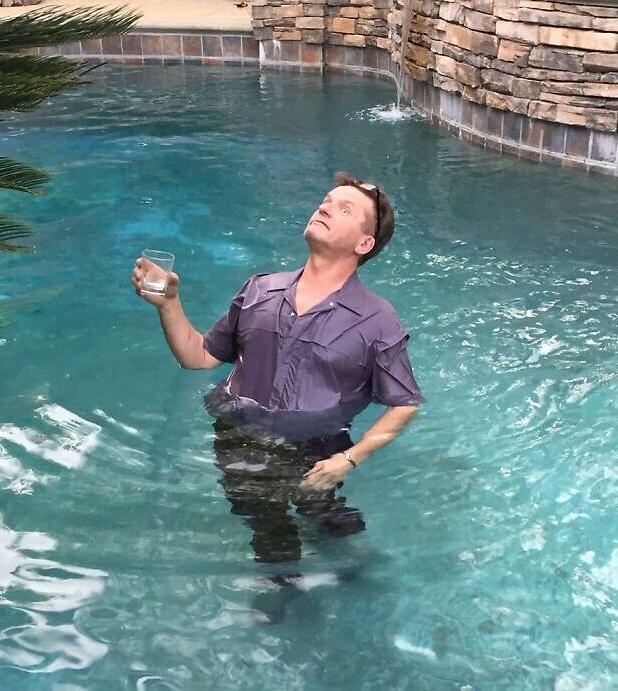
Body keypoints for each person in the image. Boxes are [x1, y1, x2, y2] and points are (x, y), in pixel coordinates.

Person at [131, 172, 422, 563]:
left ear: (364, 243)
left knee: (335, 529)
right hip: (237, 437)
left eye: (344, 208)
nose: (325, 207)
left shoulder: (378, 320)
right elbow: (197, 357)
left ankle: (352, 562)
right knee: (265, 527)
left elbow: (404, 403)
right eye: (326, 200)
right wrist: (169, 304)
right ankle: (283, 586)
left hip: (316, 449)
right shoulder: (259, 290)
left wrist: (349, 459)